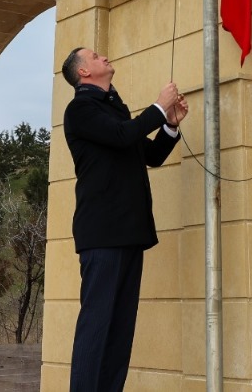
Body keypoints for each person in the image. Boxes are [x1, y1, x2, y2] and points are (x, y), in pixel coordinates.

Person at [61, 47, 188, 391]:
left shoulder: (113, 109)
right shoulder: (80, 109)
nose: (104, 57)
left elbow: (150, 155)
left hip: (129, 232)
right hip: (102, 234)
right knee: (97, 326)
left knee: (119, 330)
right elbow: (123, 135)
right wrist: (159, 107)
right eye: (96, 56)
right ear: (84, 72)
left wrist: (170, 126)